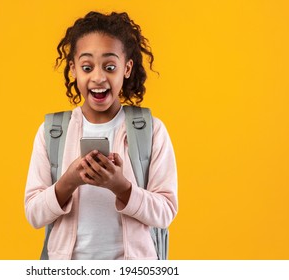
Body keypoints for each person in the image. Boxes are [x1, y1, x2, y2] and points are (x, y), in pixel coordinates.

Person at [24, 11, 178, 260]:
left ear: (126, 68)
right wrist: (69, 181)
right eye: (87, 67)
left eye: (110, 66)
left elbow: (165, 212)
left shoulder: (151, 131)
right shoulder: (52, 132)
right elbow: (34, 214)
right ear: (73, 69)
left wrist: (121, 187)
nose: (98, 77)